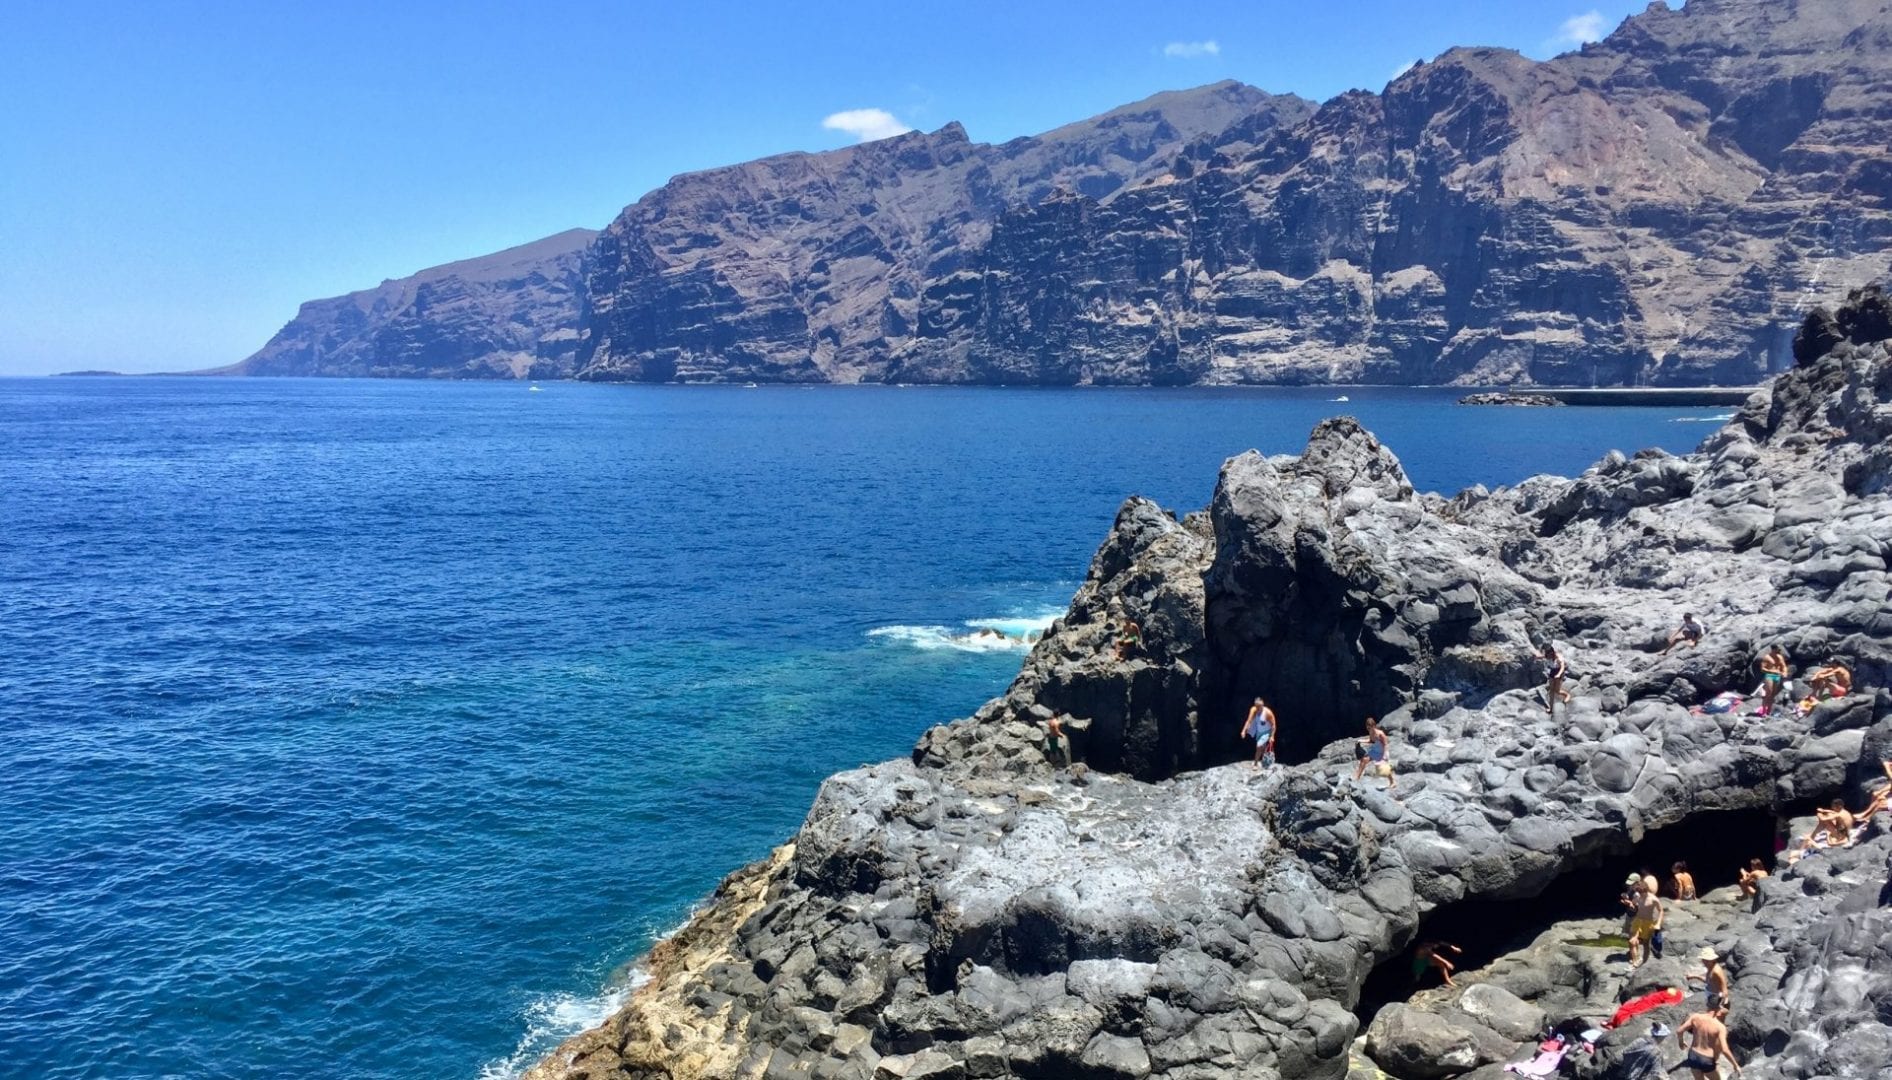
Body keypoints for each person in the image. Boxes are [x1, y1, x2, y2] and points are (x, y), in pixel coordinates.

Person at [1675, 1004, 1741, 1079]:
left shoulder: (1696, 1016)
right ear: (1718, 1011)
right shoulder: (1720, 1027)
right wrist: (1735, 1065)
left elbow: (1679, 1031)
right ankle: (1714, 1061)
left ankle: (1714, 1061)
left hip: (1693, 1055)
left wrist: (1681, 1042)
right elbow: (1724, 1049)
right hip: (1706, 1060)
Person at [1352, 716, 1396, 791]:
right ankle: (1357, 777)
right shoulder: (1371, 732)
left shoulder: (1380, 733)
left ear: (1374, 726)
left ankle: (1392, 782)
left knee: (1383, 768)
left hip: (1382, 751)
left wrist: (1385, 755)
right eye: (1368, 727)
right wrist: (1361, 741)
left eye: (1371, 727)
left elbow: (1385, 744)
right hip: (1376, 749)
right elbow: (1371, 741)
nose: (1369, 729)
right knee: (1364, 760)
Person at [1240, 697, 1277, 771]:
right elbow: (1249, 721)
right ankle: (1266, 762)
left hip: (1266, 732)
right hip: (1258, 731)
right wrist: (1244, 731)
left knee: (1259, 746)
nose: (1258, 708)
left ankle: (1256, 764)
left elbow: (1273, 725)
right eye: (1256, 706)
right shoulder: (1253, 710)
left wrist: (1272, 736)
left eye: (1259, 706)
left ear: (1263, 704)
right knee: (1262, 748)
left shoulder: (1268, 713)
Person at [1692, 947, 1730, 1012]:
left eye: (1706, 960)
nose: (1704, 962)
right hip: (1711, 995)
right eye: (1703, 960)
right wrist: (1695, 976)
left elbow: (1724, 986)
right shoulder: (1710, 967)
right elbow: (1708, 980)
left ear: (1712, 960)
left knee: (1711, 1014)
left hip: (1715, 997)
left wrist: (1724, 999)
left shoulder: (1716, 971)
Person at [1757, 646, 1789, 716]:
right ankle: (1763, 711)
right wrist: (1772, 671)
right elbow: (1762, 668)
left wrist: (1784, 672)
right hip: (1769, 676)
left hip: (1777, 676)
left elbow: (1784, 666)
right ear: (1773, 649)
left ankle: (1768, 712)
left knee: (1773, 695)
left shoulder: (1780, 657)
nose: (1779, 651)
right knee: (1769, 692)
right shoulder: (1767, 657)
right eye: (1778, 649)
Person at [1541, 643, 1572, 717]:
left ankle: (1567, 695)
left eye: (1549, 655)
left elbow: (1562, 667)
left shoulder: (1559, 658)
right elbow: (1541, 656)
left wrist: (1558, 675)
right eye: (1547, 655)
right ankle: (1551, 709)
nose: (1548, 657)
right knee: (1551, 691)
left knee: (1557, 691)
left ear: (1552, 653)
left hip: (1559, 672)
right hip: (1553, 671)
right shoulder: (1547, 656)